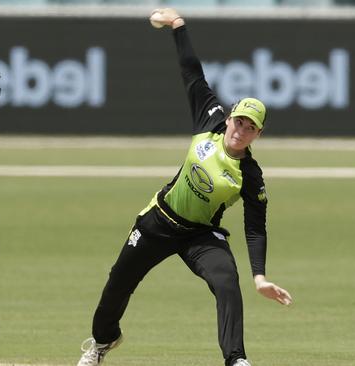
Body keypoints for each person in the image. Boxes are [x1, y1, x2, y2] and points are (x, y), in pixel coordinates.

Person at [76, 9, 292, 366]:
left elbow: (255, 229)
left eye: (250, 127)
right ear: (230, 117)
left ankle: (236, 359)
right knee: (117, 284)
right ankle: (102, 342)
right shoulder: (210, 121)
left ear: (258, 134)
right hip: (159, 220)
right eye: (239, 120)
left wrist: (260, 277)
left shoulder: (250, 174)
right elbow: (192, 72)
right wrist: (178, 26)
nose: (241, 129)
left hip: (200, 235)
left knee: (226, 281)